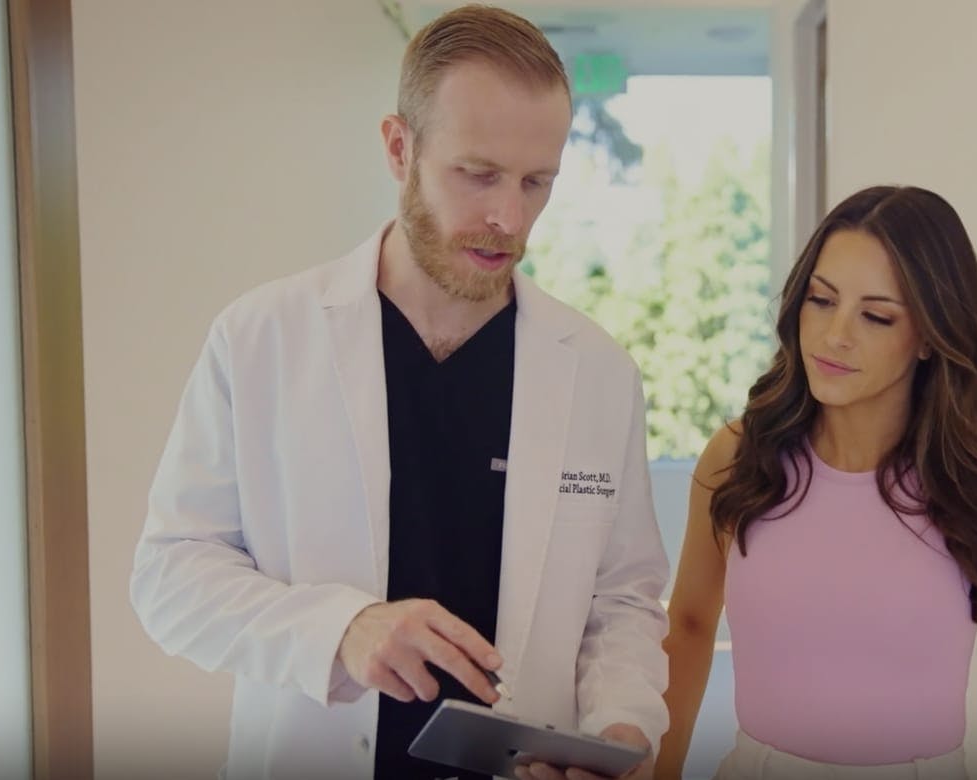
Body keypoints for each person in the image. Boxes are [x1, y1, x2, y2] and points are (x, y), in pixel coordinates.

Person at [129, 6, 668, 780]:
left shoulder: (599, 373)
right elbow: (170, 576)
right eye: (477, 174)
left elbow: (621, 600)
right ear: (398, 148)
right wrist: (341, 630)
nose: (508, 217)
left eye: (536, 182)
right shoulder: (261, 339)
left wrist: (621, 727)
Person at [657, 186, 977, 780]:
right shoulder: (738, 458)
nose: (835, 335)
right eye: (821, 300)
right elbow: (690, 627)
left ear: (929, 336)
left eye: (875, 316)